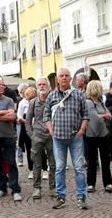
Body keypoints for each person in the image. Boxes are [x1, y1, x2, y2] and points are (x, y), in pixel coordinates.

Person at [44, 68, 89, 210]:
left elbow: (86, 115)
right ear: (57, 79)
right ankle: (61, 197)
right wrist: (51, 131)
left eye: (66, 76)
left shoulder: (78, 95)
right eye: (61, 76)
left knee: (79, 168)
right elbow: (46, 116)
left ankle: (81, 197)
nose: (64, 78)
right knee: (59, 168)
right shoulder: (51, 96)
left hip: (75, 137)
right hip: (58, 138)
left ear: (70, 78)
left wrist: (81, 130)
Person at [26, 77, 56, 199]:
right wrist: (32, 135)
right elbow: (27, 121)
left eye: (44, 84)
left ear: (48, 86)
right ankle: (36, 188)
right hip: (37, 136)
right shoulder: (33, 102)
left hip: (51, 136)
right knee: (37, 164)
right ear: (37, 87)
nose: (42, 86)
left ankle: (53, 188)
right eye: (39, 84)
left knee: (53, 163)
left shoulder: (53, 100)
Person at [84, 80, 112, 193]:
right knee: (92, 160)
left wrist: (105, 116)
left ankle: (108, 183)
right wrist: (104, 116)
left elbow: (109, 115)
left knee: (105, 159)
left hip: (103, 134)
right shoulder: (88, 102)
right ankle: (91, 183)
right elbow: (95, 117)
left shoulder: (100, 101)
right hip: (91, 134)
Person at [17, 84, 34, 177]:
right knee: (29, 149)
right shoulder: (22, 103)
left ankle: (44, 168)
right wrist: (26, 121)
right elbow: (19, 115)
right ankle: (31, 169)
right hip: (26, 127)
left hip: (37, 127)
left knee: (40, 148)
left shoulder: (37, 101)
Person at [16, 83, 29, 167]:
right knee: (20, 141)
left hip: (27, 122)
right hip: (21, 123)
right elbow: (18, 114)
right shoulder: (20, 101)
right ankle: (20, 159)